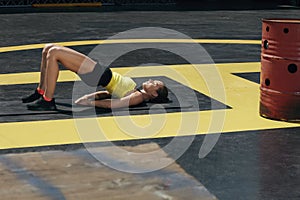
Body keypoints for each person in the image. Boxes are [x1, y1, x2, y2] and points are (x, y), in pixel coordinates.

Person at [22, 44, 169, 111]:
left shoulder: (138, 97)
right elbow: (108, 93)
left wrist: (89, 104)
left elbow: (113, 104)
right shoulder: (135, 91)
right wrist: (88, 97)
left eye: (154, 83)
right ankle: (40, 91)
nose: (151, 80)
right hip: (99, 73)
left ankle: (47, 100)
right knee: (48, 48)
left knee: (54, 53)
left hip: (98, 74)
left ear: (154, 94)